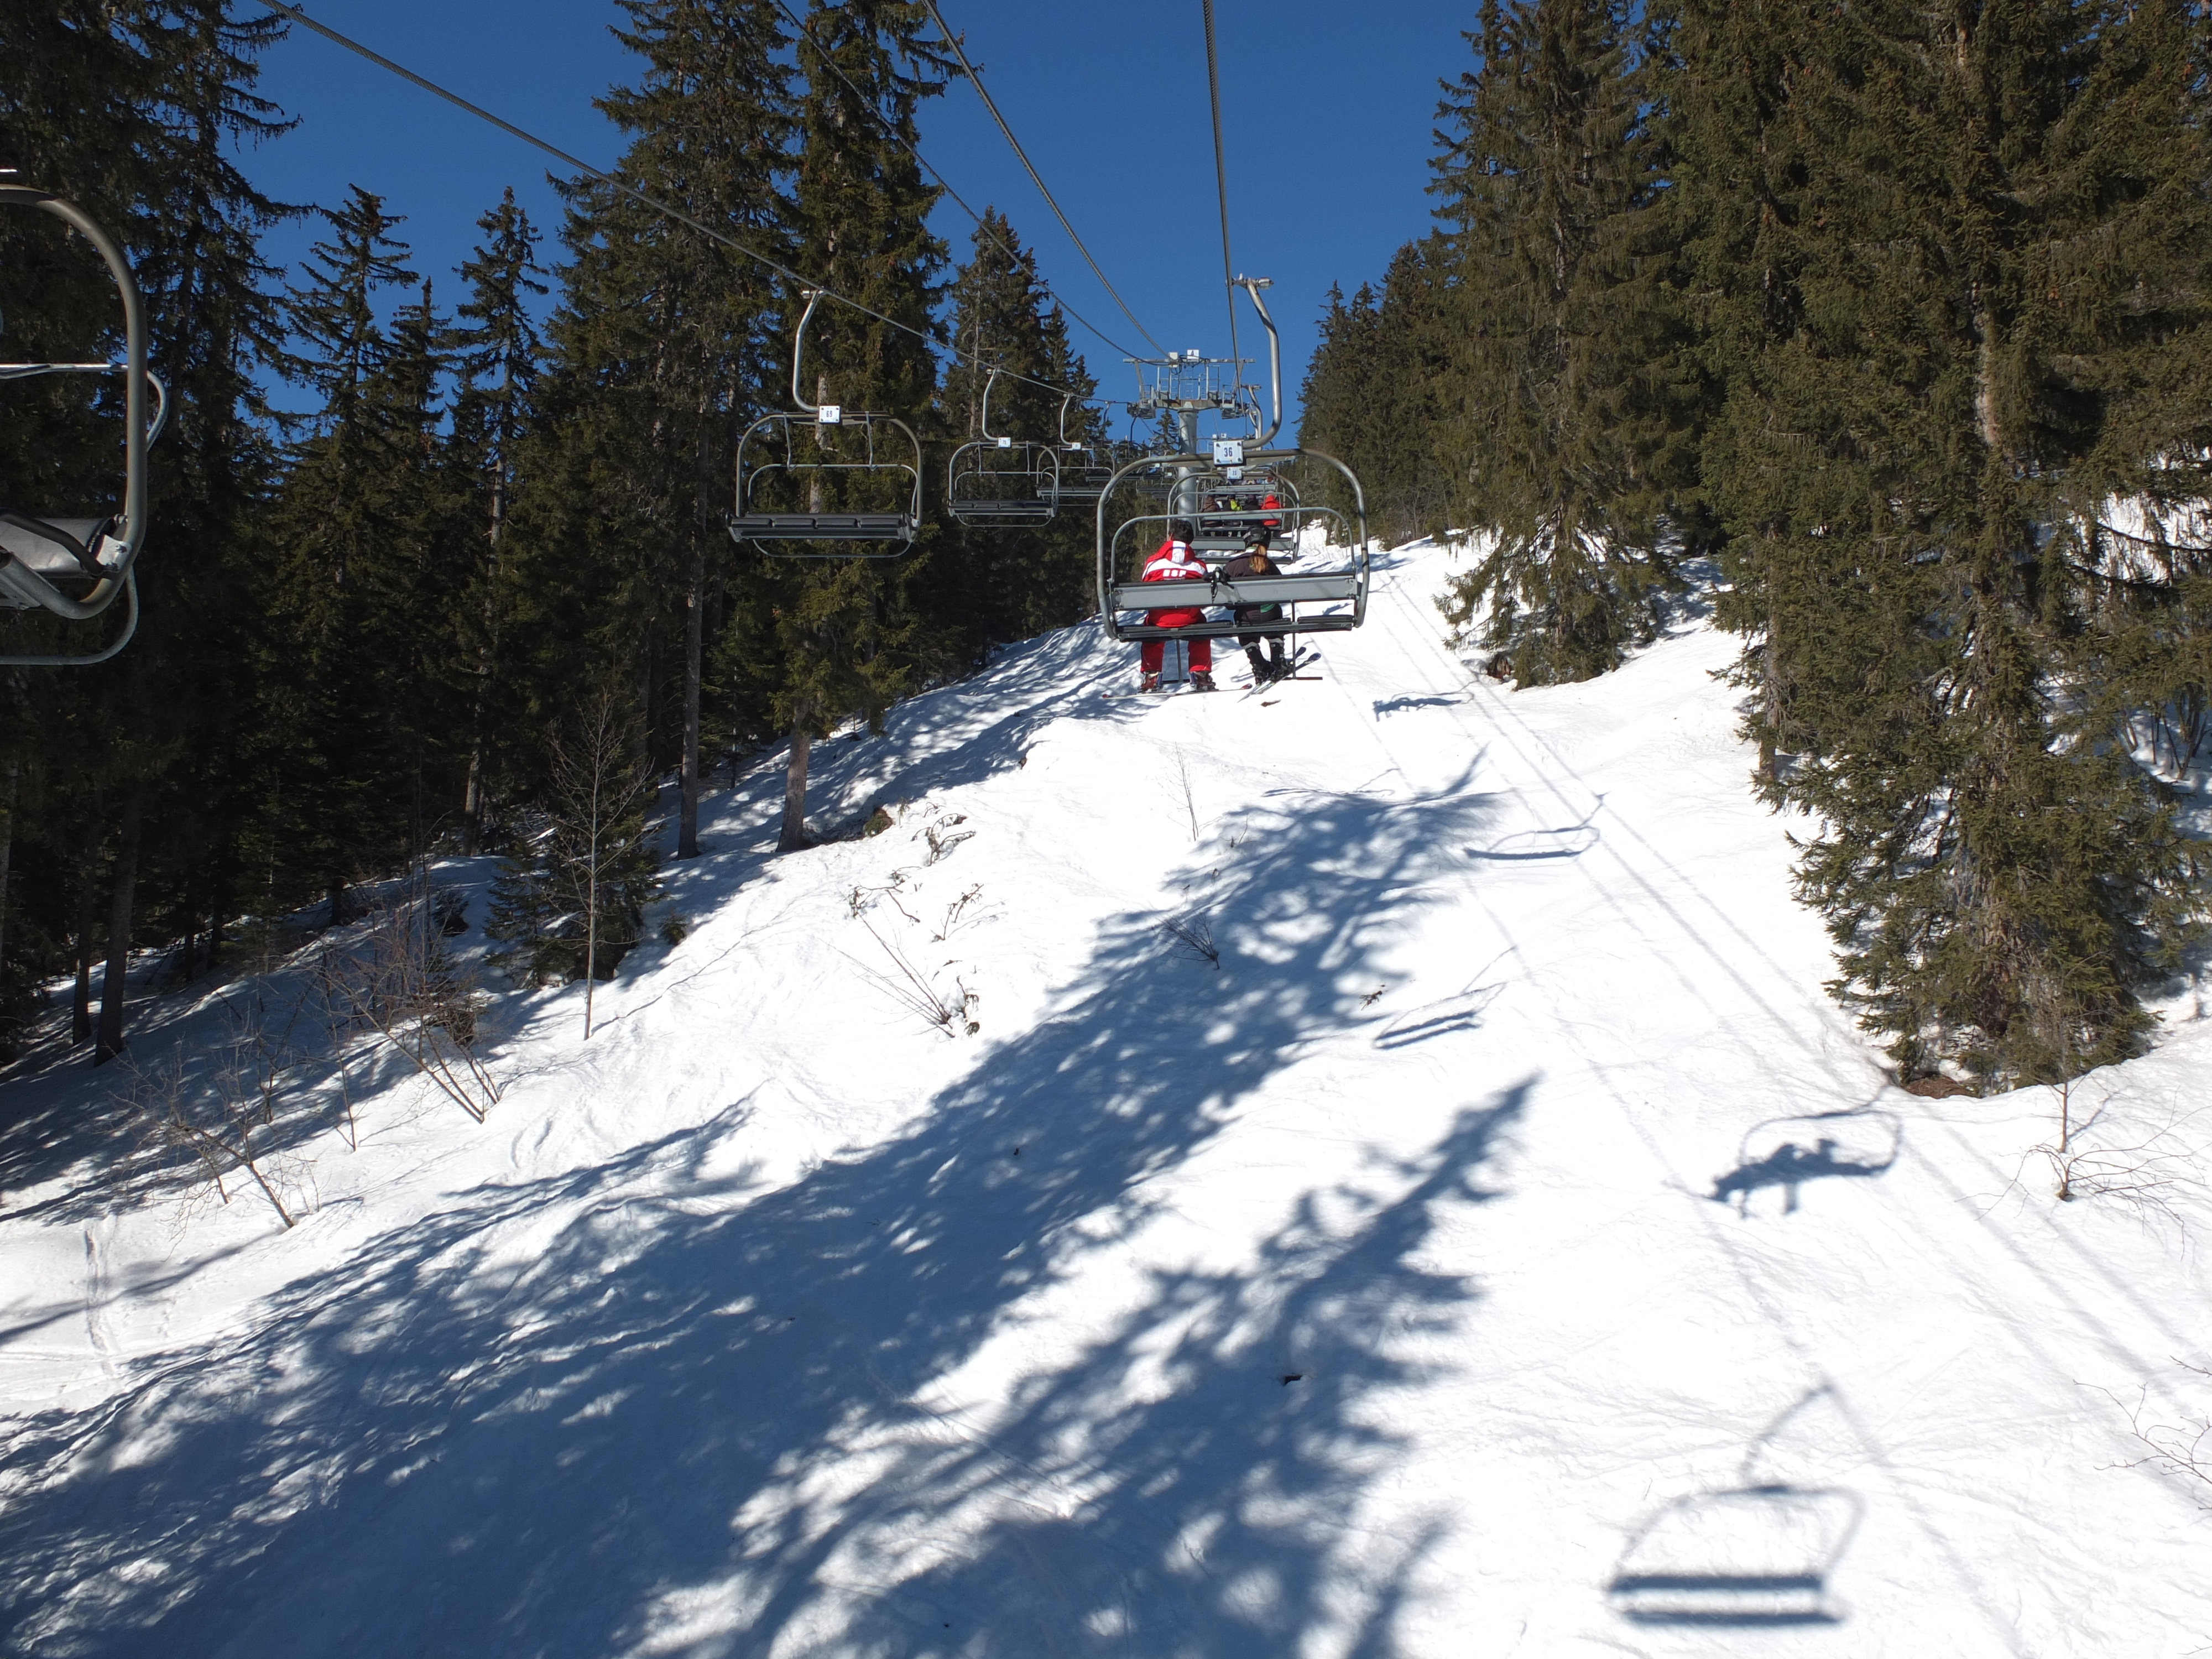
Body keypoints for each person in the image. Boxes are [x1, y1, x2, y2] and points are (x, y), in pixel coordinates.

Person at [1138, 518, 1215, 692]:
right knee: (1201, 626)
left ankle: (1152, 676)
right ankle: (1200, 675)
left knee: (1150, 626)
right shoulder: (1198, 566)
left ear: (1170, 537)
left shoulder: (1153, 563)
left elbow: (1143, 589)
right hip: (1190, 618)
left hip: (1160, 619)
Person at [1222, 534, 1288, 684]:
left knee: (1241, 618)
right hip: (1270, 615)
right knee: (1275, 611)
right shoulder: (1269, 564)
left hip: (1247, 618)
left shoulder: (1235, 564)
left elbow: (1225, 597)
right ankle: (1278, 660)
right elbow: (1283, 589)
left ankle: (1259, 665)